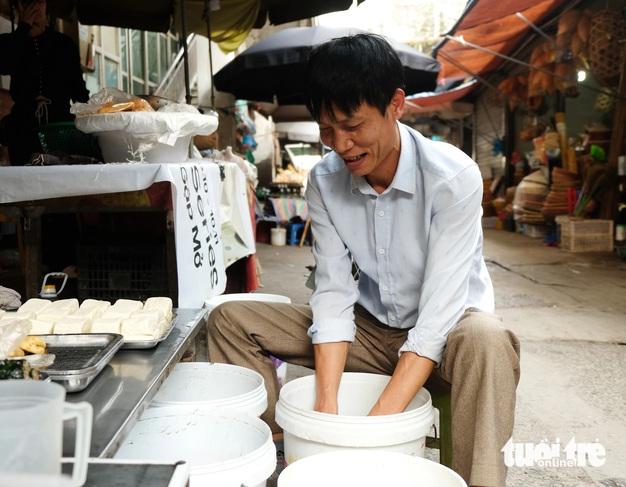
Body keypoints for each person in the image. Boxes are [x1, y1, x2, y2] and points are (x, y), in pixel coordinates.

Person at [207, 33, 520, 487]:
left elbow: (437, 316)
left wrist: (372, 429)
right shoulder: (325, 181)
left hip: (451, 332)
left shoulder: (453, 177)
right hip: (370, 332)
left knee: (489, 339)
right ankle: (278, 456)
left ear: (395, 104)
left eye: (353, 125)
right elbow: (333, 292)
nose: (342, 145)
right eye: (327, 129)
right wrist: (326, 418)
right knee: (232, 319)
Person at [0, 0, 89, 166]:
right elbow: (4, 64)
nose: (34, 7)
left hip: (59, 129)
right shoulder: (6, 43)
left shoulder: (64, 44)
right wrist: (23, 28)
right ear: (17, 6)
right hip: (23, 128)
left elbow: (79, 91)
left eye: (39, 1)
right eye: (27, 1)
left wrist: (91, 118)